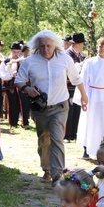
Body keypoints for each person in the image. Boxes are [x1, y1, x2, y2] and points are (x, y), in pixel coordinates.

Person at [15, 30, 89, 185]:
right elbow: (19, 81)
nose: (46, 49)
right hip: (40, 108)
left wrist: (84, 95)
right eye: (42, 46)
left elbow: (76, 78)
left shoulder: (64, 59)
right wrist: (27, 89)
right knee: (44, 139)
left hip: (60, 106)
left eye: (49, 45)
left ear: (55, 45)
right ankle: (47, 169)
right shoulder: (30, 61)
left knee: (57, 138)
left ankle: (57, 174)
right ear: (37, 46)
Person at [75, 37, 104, 158]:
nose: (102, 49)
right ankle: (86, 149)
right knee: (89, 122)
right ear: (97, 47)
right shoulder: (89, 62)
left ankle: (103, 149)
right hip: (91, 94)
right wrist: (83, 97)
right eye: (100, 46)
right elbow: (83, 80)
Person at [65, 32, 87, 146]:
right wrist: (81, 65)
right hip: (68, 86)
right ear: (77, 44)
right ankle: (67, 134)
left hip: (76, 86)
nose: (82, 46)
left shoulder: (79, 54)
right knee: (69, 111)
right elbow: (70, 69)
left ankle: (73, 133)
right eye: (81, 43)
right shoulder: (68, 54)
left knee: (76, 110)